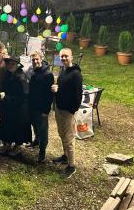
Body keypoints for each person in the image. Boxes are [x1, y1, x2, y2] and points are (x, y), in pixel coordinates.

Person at [52, 47, 83, 178]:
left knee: (69, 138)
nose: (63, 58)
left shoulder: (76, 74)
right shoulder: (63, 71)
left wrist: (72, 111)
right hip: (59, 108)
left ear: (71, 57)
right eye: (62, 56)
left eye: (66, 56)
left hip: (68, 111)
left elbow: (77, 96)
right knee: (62, 134)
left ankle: (71, 166)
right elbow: (62, 88)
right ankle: (65, 156)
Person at [0, 56, 32, 156]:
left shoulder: (21, 77)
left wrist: (6, 97)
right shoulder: (8, 74)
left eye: (13, 64)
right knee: (7, 124)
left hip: (19, 108)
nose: (10, 65)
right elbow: (4, 87)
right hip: (8, 105)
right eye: (9, 63)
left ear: (17, 65)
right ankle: (7, 144)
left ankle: (18, 146)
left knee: (18, 127)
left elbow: (23, 96)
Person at [27, 51, 54, 162]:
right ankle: (36, 140)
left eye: (37, 59)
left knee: (43, 129)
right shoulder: (32, 72)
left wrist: (46, 110)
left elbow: (49, 95)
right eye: (33, 60)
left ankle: (42, 151)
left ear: (41, 59)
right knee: (34, 125)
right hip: (32, 105)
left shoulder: (48, 74)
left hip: (42, 108)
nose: (35, 61)